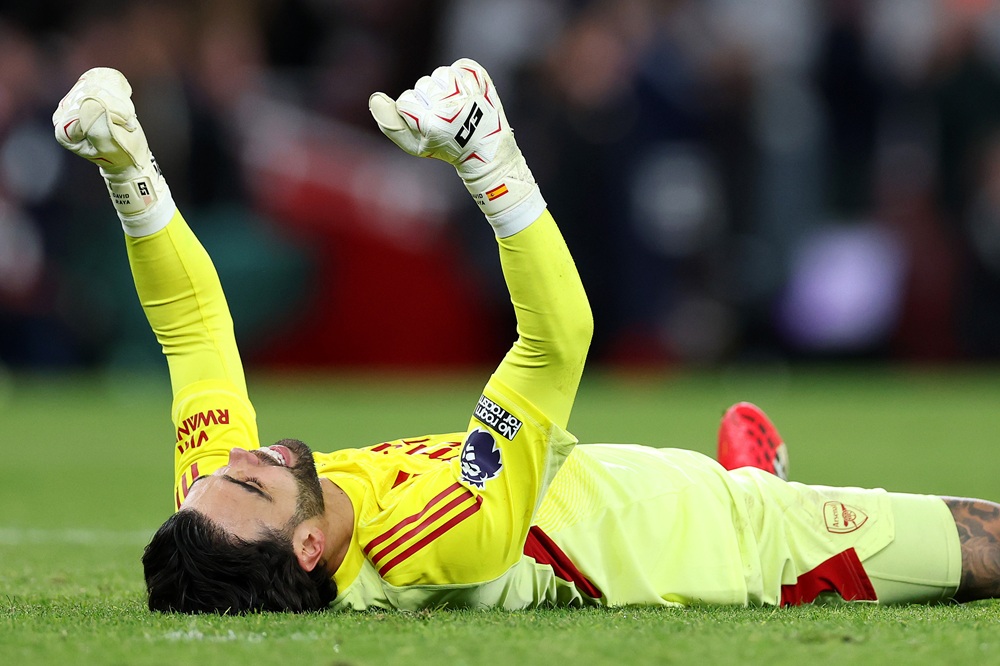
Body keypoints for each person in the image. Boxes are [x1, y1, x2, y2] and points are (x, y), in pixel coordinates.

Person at [53, 60, 1000, 614]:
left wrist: (127, 168)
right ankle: (761, 487)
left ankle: (757, 468)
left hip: (605, 474)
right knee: (983, 546)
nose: (247, 454)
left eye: (225, 469)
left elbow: (193, 331)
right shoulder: (441, 532)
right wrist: (487, 157)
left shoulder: (221, 513)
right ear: (309, 552)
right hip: (725, 543)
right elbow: (558, 340)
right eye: (253, 477)